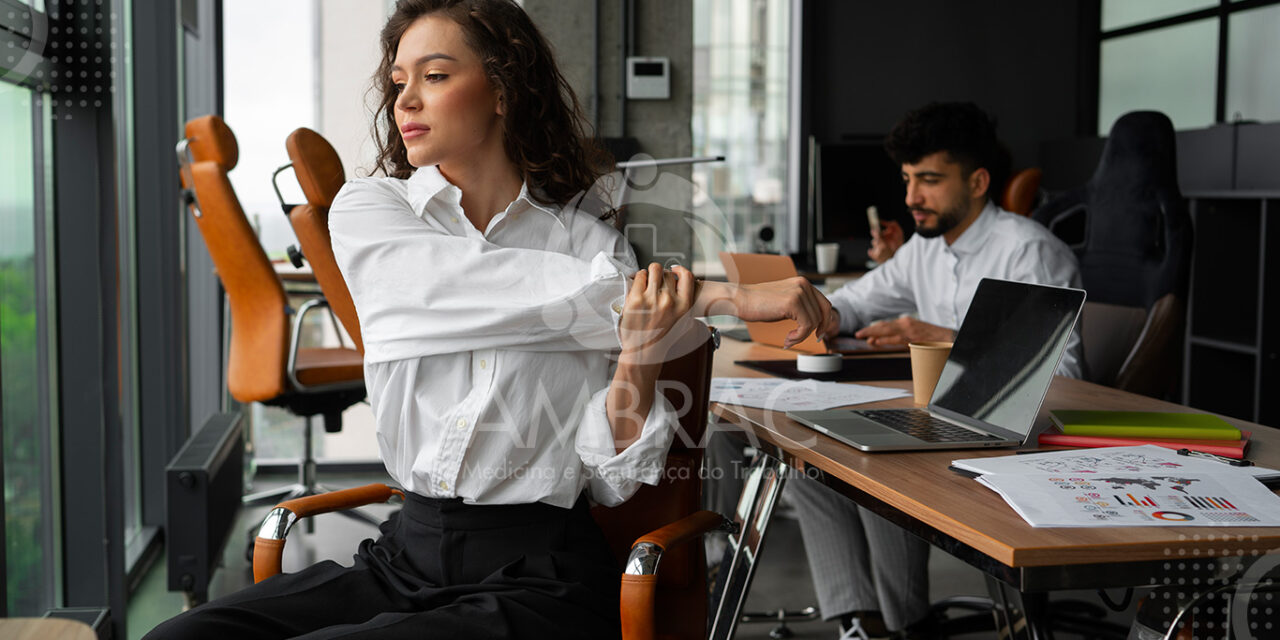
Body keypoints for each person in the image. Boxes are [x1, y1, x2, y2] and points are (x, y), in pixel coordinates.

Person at [144, 1, 829, 638]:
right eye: (397, 81)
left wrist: (641, 356)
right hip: (401, 555)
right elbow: (455, 291)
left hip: (541, 573)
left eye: (435, 75)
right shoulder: (371, 209)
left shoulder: (590, 247)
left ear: (502, 91)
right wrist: (716, 296)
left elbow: (610, 475)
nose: (405, 99)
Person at [791, 101, 1082, 640]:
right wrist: (818, 310)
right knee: (805, 454)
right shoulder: (926, 250)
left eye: (928, 181)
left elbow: (1064, 376)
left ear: (977, 181)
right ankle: (860, 620)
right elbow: (854, 302)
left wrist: (938, 337)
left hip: (1010, 433)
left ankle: (909, 624)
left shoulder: (1029, 253)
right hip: (940, 417)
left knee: (870, 465)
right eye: (906, 180)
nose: (910, 198)